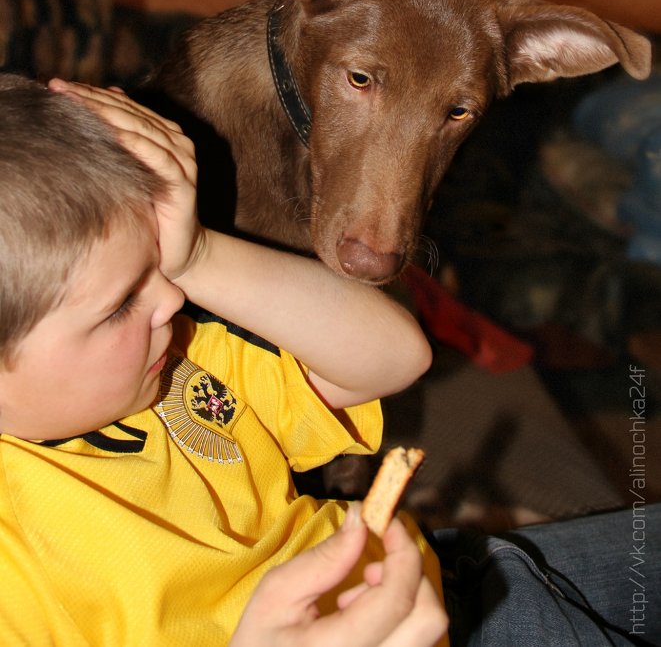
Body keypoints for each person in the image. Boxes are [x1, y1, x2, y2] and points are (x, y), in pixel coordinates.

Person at [0, 73, 659, 647]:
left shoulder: (173, 364)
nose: (170, 299)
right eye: (118, 305)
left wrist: (198, 253)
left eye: (156, 269)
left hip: (451, 576)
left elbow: (393, 358)